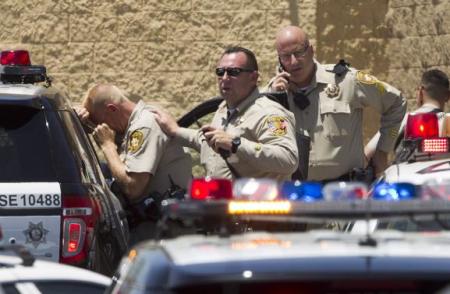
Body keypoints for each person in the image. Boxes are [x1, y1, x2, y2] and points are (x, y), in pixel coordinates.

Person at [266, 25, 407, 182]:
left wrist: (383, 150)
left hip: (345, 190)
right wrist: (274, 101)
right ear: (279, 59)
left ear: (311, 50)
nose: (293, 61)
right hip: (295, 192)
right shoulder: (271, 96)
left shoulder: (346, 81)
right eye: (285, 56)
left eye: (298, 53)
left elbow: (396, 102)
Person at [152, 46, 299, 181]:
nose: (224, 78)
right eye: (220, 72)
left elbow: (288, 159)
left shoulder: (269, 113)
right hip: (220, 206)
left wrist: (236, 144)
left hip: (255, 207)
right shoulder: (224, 109)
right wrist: (175, 130)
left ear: (253, 78)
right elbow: (211, 142)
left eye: (234, 72)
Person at [77, 84, 192, 243]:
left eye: (99, 123)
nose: (99, 128)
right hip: (156, 231)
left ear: (112, 110)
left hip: (164, 235)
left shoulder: (144, 126)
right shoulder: (133, 124)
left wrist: (107, 146)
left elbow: (133, 188)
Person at [365, 69, 450, 157]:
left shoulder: (403, 120)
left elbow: (368, 153)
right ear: (448, 96)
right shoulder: (448, 123)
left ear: (420, 91)